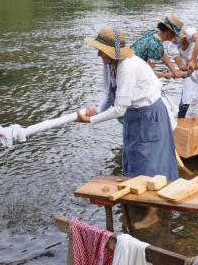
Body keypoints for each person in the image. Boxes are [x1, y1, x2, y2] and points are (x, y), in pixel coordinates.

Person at [76, 27, 178, 229]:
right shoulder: (109, 64)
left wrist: (91, 121)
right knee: (134, 157)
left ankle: (153, 212)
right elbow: (107, 94)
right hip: (134, 115)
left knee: (150, 163)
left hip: (149, 115)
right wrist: (96, 110)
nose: (98, 54)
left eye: (101, 50)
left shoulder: (128, 67)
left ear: (111, 51)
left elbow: (119, 109)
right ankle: (140, 199)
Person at [166, 16, 198, 118]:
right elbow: (181, 66)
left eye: (175, 36)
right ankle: (180, 120)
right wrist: (190, 67)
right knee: (186, 94)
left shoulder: (189, 32)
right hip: (190, 67)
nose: (173, 40)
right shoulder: (172, 47)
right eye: (171, 37)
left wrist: (193, 59)